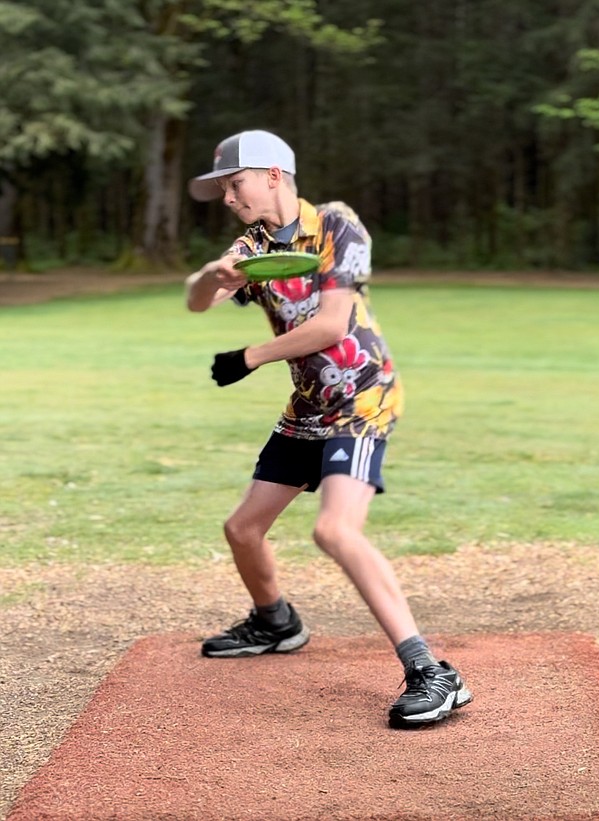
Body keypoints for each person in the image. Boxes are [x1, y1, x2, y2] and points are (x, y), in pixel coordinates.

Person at [185, 129, 472, 728]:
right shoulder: (254, 244)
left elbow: (333, 325)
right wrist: (214, 273)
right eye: (222, 191)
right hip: (310, 406)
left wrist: (250, 357)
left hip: (362, 396)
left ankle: (432, 671)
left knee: (336, 531)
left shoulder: (338, 225)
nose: (229, 199)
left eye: (233, 185)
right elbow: (197, 302)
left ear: (271, 175)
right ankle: (275, 621)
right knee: (242, 528)